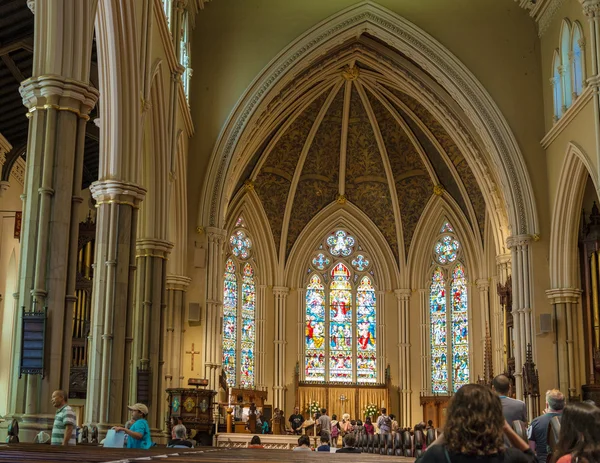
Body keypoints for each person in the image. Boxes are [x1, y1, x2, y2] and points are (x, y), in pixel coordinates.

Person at [417, 384, 536, 463]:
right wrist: (507, 429)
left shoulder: (438, 456)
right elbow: (532, 459)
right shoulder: (510, 458)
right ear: (497, 418)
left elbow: (419, 460)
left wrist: (449, 430)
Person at [528, 389, 565, 463]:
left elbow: (531, 450)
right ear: (564, 404)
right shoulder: (571, 421)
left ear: (547, 404)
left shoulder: (536, 422)